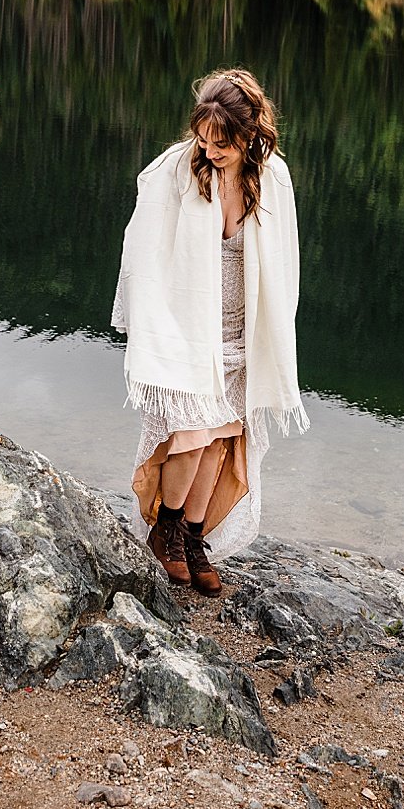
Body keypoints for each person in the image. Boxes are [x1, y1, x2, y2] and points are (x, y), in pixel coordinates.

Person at [112, 69, 307, 596]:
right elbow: (142, 247)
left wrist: (274, 333)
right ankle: (166, 530)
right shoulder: (178, 171)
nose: (211, 151)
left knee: (223, 441)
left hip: (243, 332)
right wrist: (150, 323)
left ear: (250, 135)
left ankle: (195, 538)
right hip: (187, 329)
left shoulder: (271, 177)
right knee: (192, 435)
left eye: (223, 143)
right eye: (203, 139)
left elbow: (285, 258)